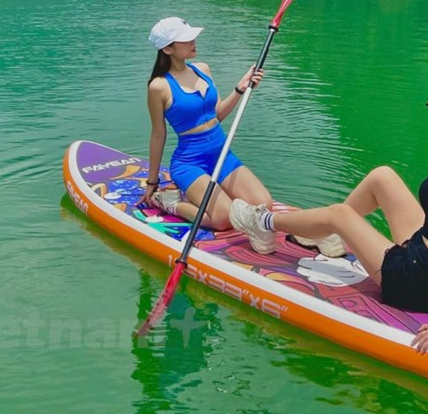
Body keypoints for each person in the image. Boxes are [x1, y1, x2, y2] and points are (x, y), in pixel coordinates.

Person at [230, 75, 428, 353]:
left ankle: (263, 222)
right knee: (383, 177)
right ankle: (324, 236)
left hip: (415, 282)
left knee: (340, 214)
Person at [142, 15, 341, 256]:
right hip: (189, 163)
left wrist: (241, 88)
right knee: (223, 219)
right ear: (167, 48)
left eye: (193, 36)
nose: (194, 41)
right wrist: (152, 183)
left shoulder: (202, 69)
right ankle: (171, 203)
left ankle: (285, 224)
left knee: (263, 202)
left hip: (221, 154)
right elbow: (158, 135)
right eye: (186, 39)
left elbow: (217, 116)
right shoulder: (159, 86)